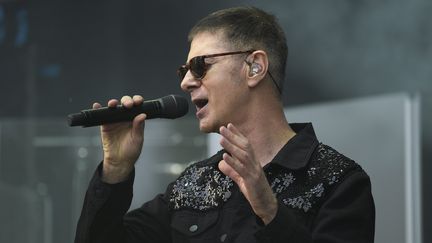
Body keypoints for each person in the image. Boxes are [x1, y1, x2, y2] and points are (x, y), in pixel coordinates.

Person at [75, 6, 375, 243]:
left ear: (255, 67)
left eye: (200, 66)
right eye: (185, 69)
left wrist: (269, 210)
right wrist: (115, 169)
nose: (185, 82)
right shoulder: (194, 183)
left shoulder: (338, 181)